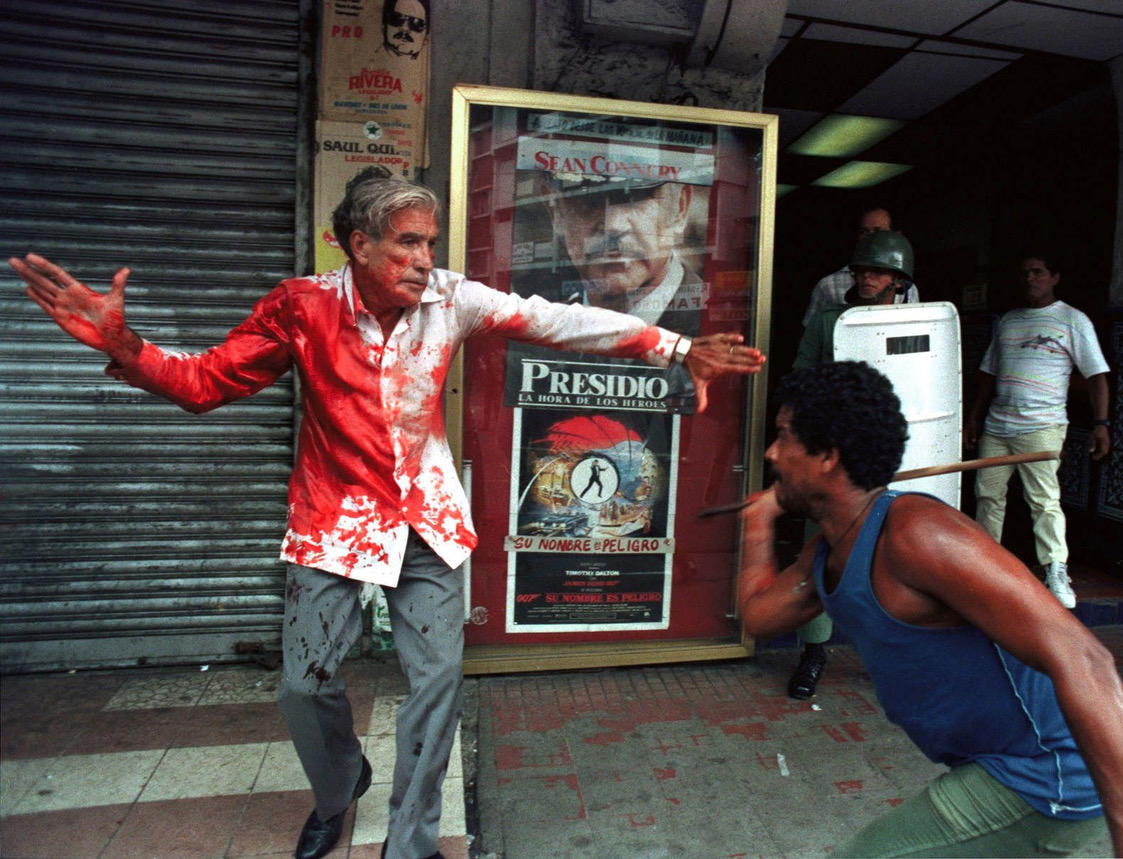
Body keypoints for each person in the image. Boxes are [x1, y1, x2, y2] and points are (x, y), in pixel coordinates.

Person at [8, 176, 765, 859]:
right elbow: (209, 381)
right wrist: (128, 346)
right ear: (357, 243)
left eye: (429, 243)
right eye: (407, 242)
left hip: (428, 519)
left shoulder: (450, 300)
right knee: (303, 688)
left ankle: (412, 843)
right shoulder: (301, 307)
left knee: (437, 683)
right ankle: (340, 788)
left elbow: (551, 320)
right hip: (332, 521)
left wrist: (675, 346)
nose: (423, 260)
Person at [738, 361, 1123, 858]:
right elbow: (758, 617)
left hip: (1044, 777)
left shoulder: (919, 534)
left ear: (828, 456)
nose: (771, 453)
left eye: (784, 437)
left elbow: (1088, 661)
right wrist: (758, 524)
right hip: (993, 765)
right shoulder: (828, 552)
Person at [783, 229, 917, 699]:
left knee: (891, 563)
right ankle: (814, 652)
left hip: (894, 462)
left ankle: (890, 655)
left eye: (877, 270)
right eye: (861, 269)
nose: (866, 277)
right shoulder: (827, 323)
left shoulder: (917, 325)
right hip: (834, 463)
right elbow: (799, 380)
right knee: (823, 557)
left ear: (898, 280)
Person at [963, 253, 1110, 609]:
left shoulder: (1073, 321)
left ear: (1055, 276)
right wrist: (973, 419)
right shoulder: (1009, 322)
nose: (1030, 278)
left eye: (1038, 272)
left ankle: (1056, 569)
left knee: (1043, 501)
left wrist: (1102, 424)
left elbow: (1096, 377)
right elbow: (988, 377)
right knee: (988, 496)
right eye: (1025, 273)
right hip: (998, 426)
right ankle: (986, 568)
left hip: (1042, 427)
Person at [541, 172, 702, 336]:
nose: (613, 225)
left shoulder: (712, 323)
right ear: (556, 213)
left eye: (636, 199)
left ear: (680, 207)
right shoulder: (548, 325)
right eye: (588, 203)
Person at [801, 206, 918, 326]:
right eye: (864, 232)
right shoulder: (828, 285)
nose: (870, 237)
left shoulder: (910, 290)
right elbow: (812, 334)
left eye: (878, 231)